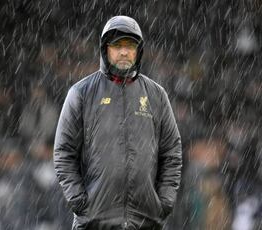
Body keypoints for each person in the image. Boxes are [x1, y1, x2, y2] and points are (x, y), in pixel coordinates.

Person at [54, 15, 182, 230]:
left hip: (146, 222)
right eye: (117, 45)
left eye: (130, 46)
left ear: (138, 51)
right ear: (105, 49)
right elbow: (64, 153)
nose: (124, 52)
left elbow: (171, 152)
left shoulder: (157, 95)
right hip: (94, 223)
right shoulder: (81, 93)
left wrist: (164, 202)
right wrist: (80, 203)